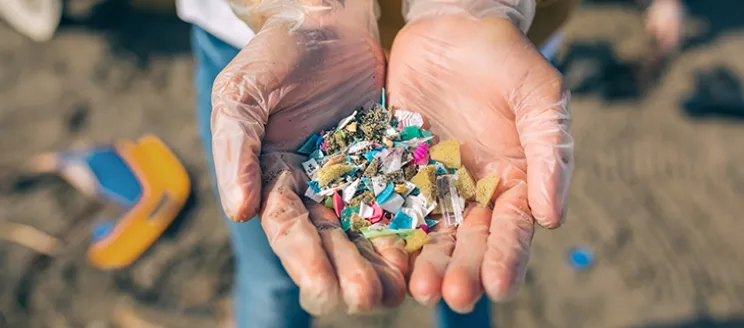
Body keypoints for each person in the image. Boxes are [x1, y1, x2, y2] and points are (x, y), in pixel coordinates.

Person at [176, 0, 684, 327]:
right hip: (276, 45)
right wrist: (307, 8)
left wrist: (471, 7)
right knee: (272, 273)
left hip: (488, 49)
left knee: (464, 277)